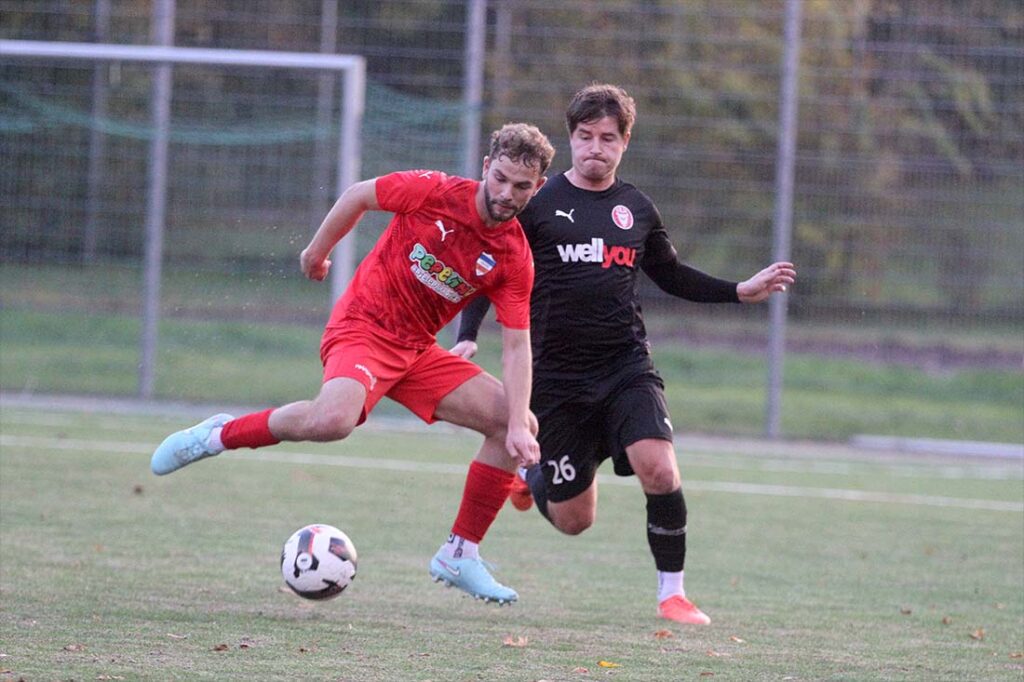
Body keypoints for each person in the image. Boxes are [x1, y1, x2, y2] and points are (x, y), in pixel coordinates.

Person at [150, 122, 556, 605]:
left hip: (417, 350)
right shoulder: (433, 191)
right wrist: (316, 253)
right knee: (332, 420)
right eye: (501, 178)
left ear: (539, 187)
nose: (506, 194)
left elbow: (516, 346)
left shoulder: (513, 256)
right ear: (486, 167)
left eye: (521, 186)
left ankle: (459, 554)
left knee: (516, 419)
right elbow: (359, 195)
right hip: (364, 326)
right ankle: (218, 434)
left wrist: (517, 429)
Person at [453, 84, 796, 624]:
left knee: (658, 468)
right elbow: (489, 267)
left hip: (625, 368)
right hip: (555, 381)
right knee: (574, 521)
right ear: (570, 138)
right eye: (585, 136)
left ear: (625, 142)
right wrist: (468, 329)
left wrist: (739, 290)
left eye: (607, 138)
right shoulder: (537, 204)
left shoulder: (635, 208)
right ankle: (532, 480)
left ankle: (672, 594)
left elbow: (671, 274)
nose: (596, 147)